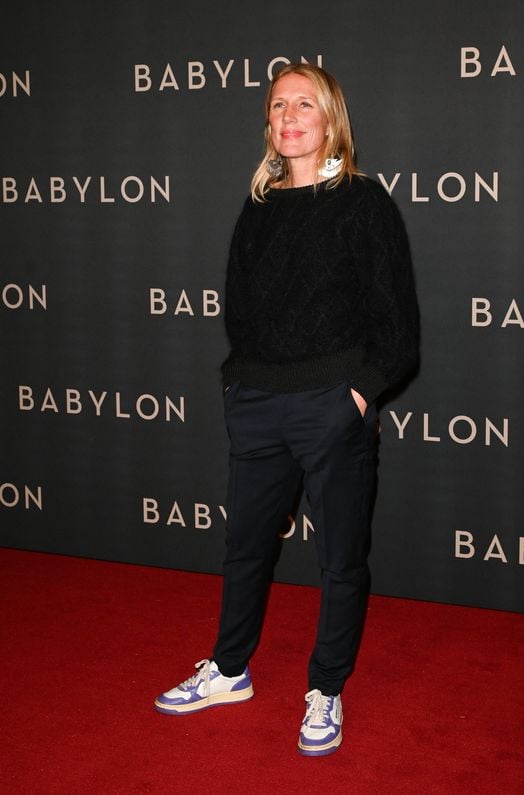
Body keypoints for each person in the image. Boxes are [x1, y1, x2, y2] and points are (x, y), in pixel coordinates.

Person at [154, 63, 420, 757]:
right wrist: (240, 386)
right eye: (278, 106)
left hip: (331, 408)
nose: (290, 115)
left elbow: (398, 328)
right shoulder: (261, 205)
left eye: (305, 103)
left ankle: (326, 686)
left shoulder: (364, 202)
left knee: (338, 559)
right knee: (244, 547)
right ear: (269, 126)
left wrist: (353, 397)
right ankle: (230, 668)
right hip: (257, 404)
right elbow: (239, 306)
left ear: (330, 118)